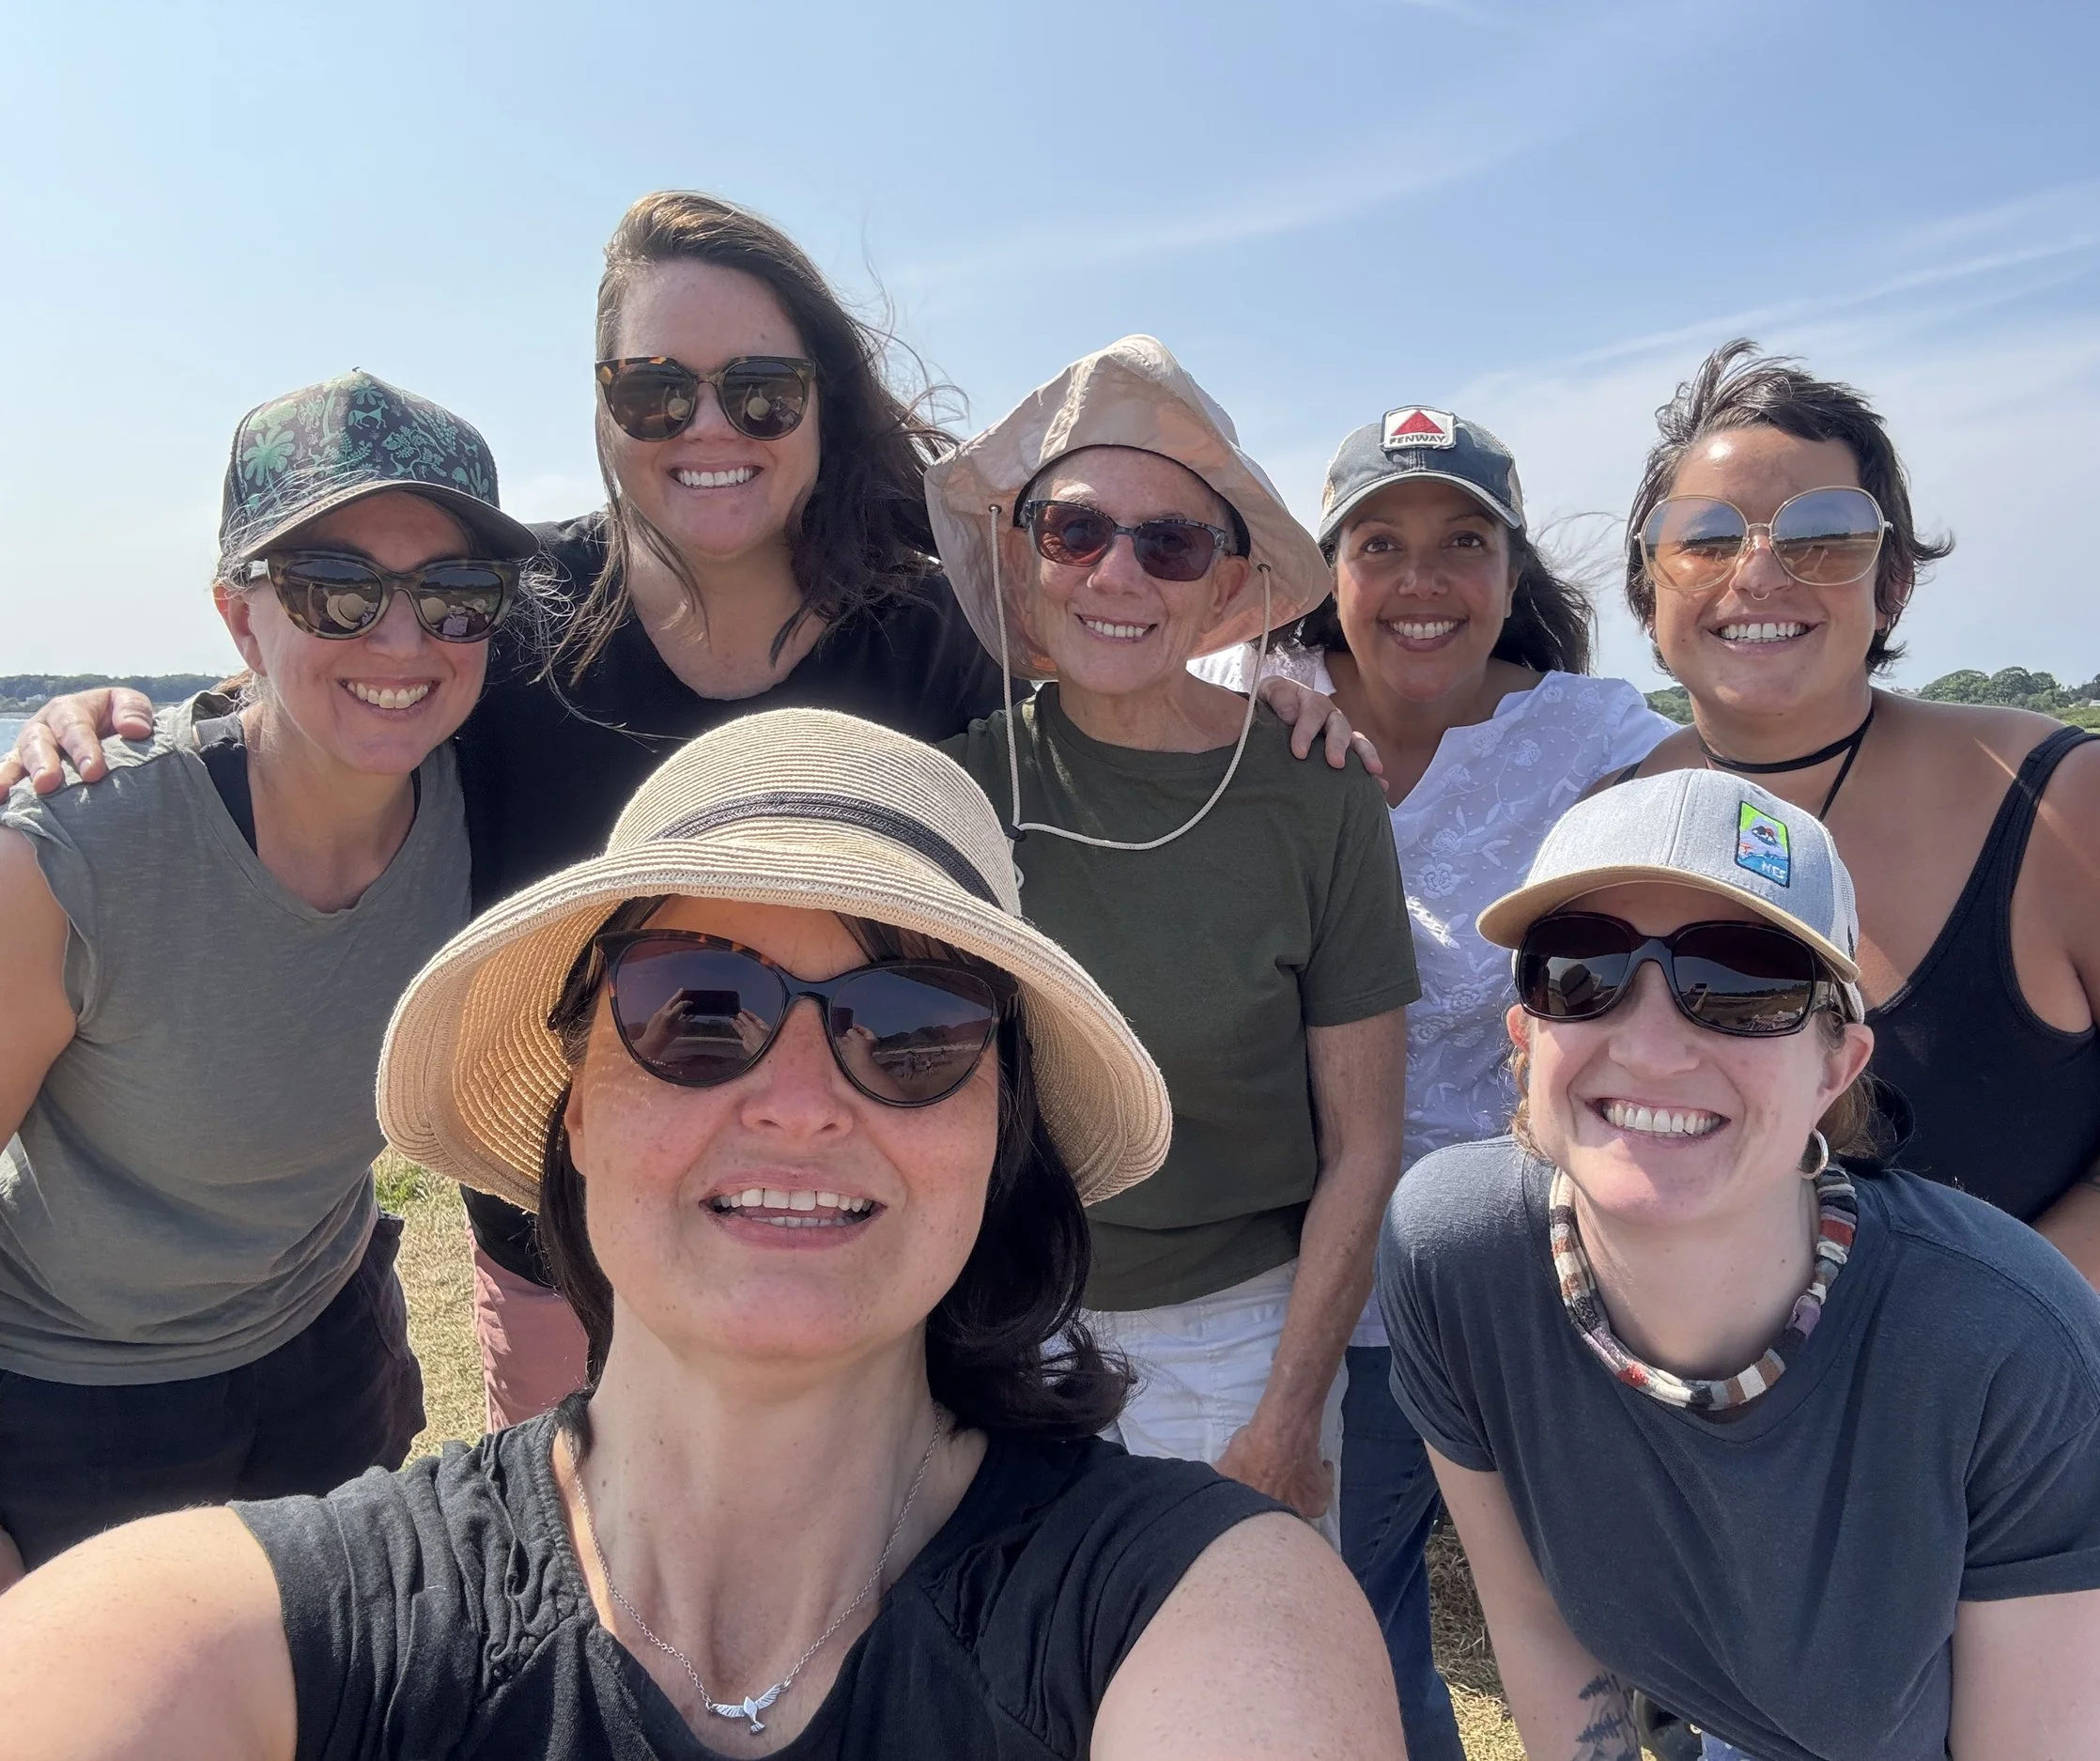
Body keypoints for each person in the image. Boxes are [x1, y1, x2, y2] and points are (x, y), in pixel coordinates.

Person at [0, 193, 1368, 1434]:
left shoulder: (928, 635)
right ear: (603, 413)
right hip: (557, 1259)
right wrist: (128, 724)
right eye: (656, 390)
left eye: (760, 390)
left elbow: (1104, 693)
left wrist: (1277, 694)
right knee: (584, 1615)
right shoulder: (510, 631)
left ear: (823, 406)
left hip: (826, 1230)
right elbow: (339, 698)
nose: (708, 428)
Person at [0, 707, 1406, 1759]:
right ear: (574, 1107)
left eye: (910, 1030)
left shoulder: (1202, 1608)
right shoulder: (257, 1628)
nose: (797, 1104)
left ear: (1000, 1134)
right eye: (695, 1011)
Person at [1381, 767, 2100, 1761]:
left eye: (1742, 984)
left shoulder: (2006, 1345)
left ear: (1835, 1069)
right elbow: (1541, 1625)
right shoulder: (1455, 1256)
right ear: (1525, 1038)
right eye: (1579, 971)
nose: (1653, 1045)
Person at [1603, 341, 2100, 1522]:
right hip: (1782, 1393)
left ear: (1892, 585)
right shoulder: (1621, 819)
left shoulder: (2059, 802)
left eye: (1822, 535)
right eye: (1706, 537)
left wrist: (1990, 1319)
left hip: (2099, 1366)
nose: (1757, 573)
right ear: (1650, 587)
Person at [0, 372, 539, 1584]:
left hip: (328, 1344)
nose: (404, 641)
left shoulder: (484, 793)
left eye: (456, 595)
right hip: (76, 1401)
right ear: (241, 621)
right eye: (336, 590)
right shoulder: (80, 849)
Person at [1199, 406, 1673, 1761]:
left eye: (1462, 541)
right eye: (1380, 542)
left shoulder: (1591, 735)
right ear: (1325, 569)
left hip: (1507, 1257)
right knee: (1348, 1599)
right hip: (1281, 1258)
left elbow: (1776, 838)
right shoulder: (1241, 698)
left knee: (1565, 1604)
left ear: (1512, 572)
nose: (1421, 580)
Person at [925, 336, 1419, 1540]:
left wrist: (1289, 1416)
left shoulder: (1317, 796)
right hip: (993, 1328)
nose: (1118, 574)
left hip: (1236, 1345)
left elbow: (1363, 1145)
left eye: (1171, 542)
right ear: (1025, 554)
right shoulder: (951, 793)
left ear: (1220, 584)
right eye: (1076, 532)